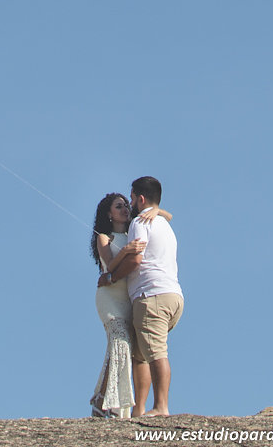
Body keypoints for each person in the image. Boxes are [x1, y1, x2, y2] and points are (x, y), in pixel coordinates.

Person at [90, 192, 172, 418]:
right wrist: (126, 250)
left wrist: (156, 210)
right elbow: (109, 264)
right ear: (109, 213)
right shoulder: (104, 236)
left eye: (127, 204)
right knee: (120, 343)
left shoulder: (136, 228)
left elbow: (169, 216)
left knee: (128, 351)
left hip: (129, 298)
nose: (125, 208)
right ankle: (110, 404)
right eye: (119, 206)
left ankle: (103, 400)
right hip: (109, 298)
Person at [106, 176, 183, 418]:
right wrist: (157, 209)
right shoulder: (164, 223)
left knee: (156, 351)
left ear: (140, 199)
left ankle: (161, 406)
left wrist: (113, 277)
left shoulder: (141, 222)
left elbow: (136, 258)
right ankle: (139, 409)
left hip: (152, 295)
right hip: (173, 295)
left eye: (131, 198)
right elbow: (164, 214)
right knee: (140, 354)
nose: (130, 203)